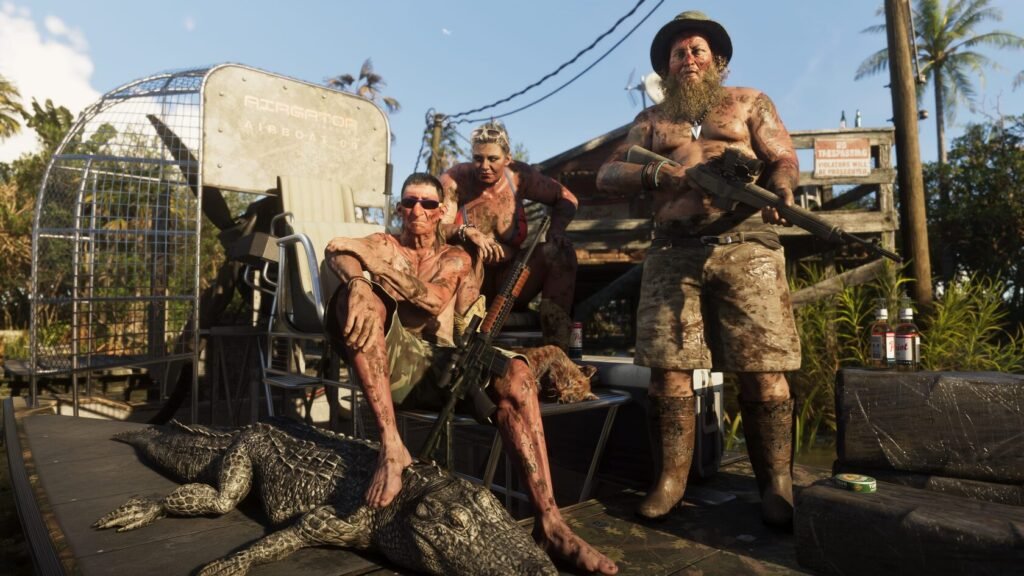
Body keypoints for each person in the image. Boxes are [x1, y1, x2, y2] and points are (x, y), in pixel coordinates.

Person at [323, 173, 618, 575]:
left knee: (517, 375)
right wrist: (358, 279)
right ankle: (391, 447)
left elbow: (431, 300)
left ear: (442, 211)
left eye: (428, 204)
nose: (417, 211)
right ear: (399, 208)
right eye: (410, 202)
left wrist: (374, 267)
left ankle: (551, 524)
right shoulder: (384, 244)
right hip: (392, 364)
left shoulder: (454, 257)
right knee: (358, 300)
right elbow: (338, 248)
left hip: (445, 365)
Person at [596, 11, 800, 528]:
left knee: (764, 372)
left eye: (697, 51)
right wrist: (655, 172)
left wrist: (783, 191)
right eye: (678, 54)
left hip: (746, 245)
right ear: (666, 68)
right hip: (672, 250)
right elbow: (608, 172)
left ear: (718, 61)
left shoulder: (748, 102)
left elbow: (782, 157)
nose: (687, 60)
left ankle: (777, 484)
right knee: (668, 371)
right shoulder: (651, 120)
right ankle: (670, 483)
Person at [440, 121, 579, 350]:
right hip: (471, 280)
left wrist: (555, 231)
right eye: (478, 158)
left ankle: (556, 351)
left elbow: (567, 199)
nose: (484, 165)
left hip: (512, 279)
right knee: (460, 257)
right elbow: (436, 229)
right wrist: (466, 232)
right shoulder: (456, 179)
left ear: (508, 158)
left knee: (560, 253)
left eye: (492, 159)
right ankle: (463, 346)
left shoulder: (519, 177)